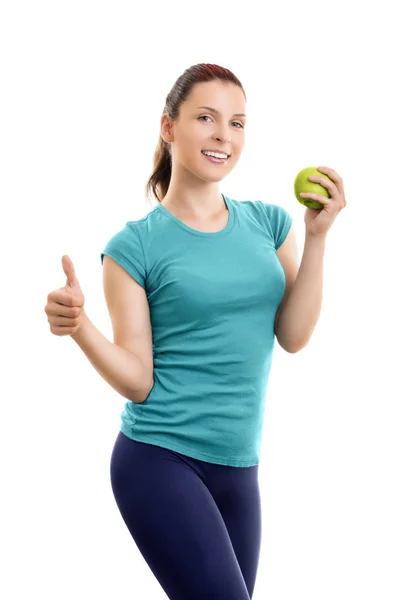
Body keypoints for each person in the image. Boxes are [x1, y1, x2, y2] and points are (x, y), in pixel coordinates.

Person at [44, 63, 346, 599]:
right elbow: (138, 380)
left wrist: (317, 238)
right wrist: (81, 328)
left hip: (240, 468)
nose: (222, 136)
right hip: (159, 459)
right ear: (169, 128)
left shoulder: (270, 224)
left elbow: (294, 336)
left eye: (237, 123)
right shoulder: (133, 247)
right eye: (205, 118)